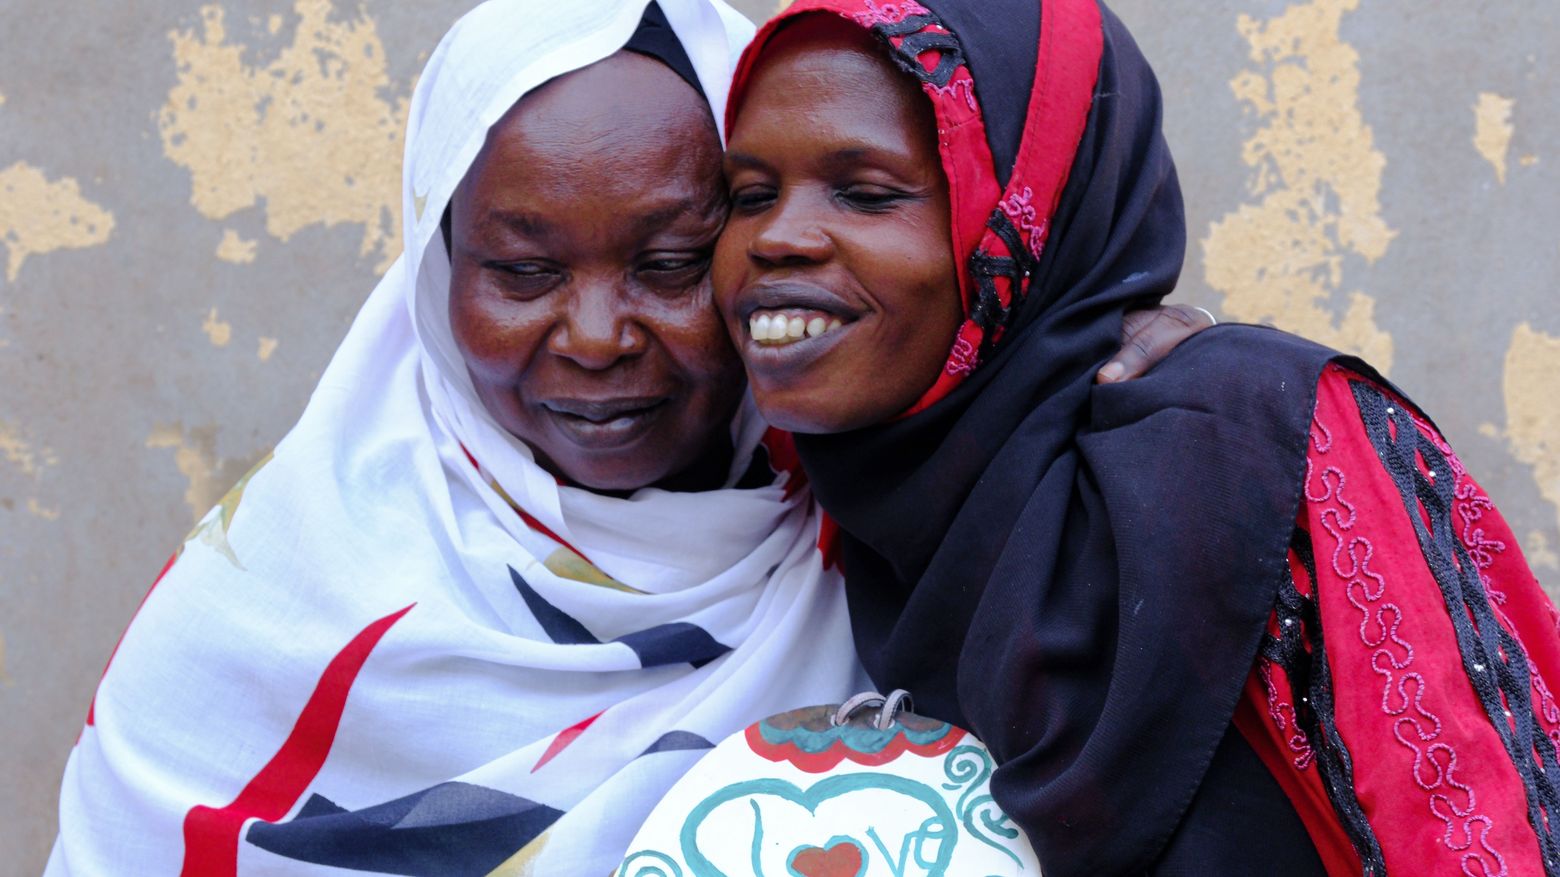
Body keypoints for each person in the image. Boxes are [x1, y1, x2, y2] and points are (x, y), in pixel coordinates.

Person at [44, 1, 1208, 873]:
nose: (597, 339)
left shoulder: (910, 513)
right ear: (435, 272)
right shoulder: (265, 615)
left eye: (670, 263)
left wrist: (1115, 371)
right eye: (522, 270)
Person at [712, 1, 1560, 875]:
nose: (775, 237)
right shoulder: (800, 512)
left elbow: (1488, 834)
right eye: (747, 196)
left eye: (866, 192)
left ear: (1027, 212)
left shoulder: (1257, 444)